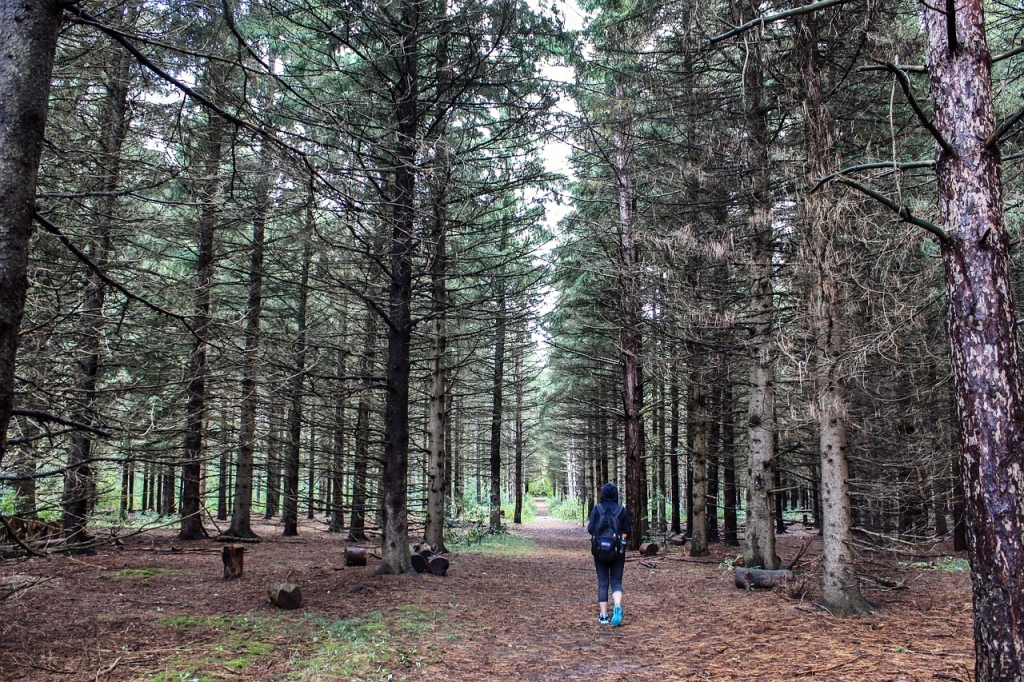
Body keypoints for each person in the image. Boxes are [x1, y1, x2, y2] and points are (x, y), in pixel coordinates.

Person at [587, 482, 631, 626]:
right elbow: (627, 531)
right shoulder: (621, 510)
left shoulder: (597, 509)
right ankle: (617, 605)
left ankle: (604, 615)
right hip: (617, 551)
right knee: (616, 581)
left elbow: (590, 529)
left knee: (603, 583)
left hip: (599, 551)